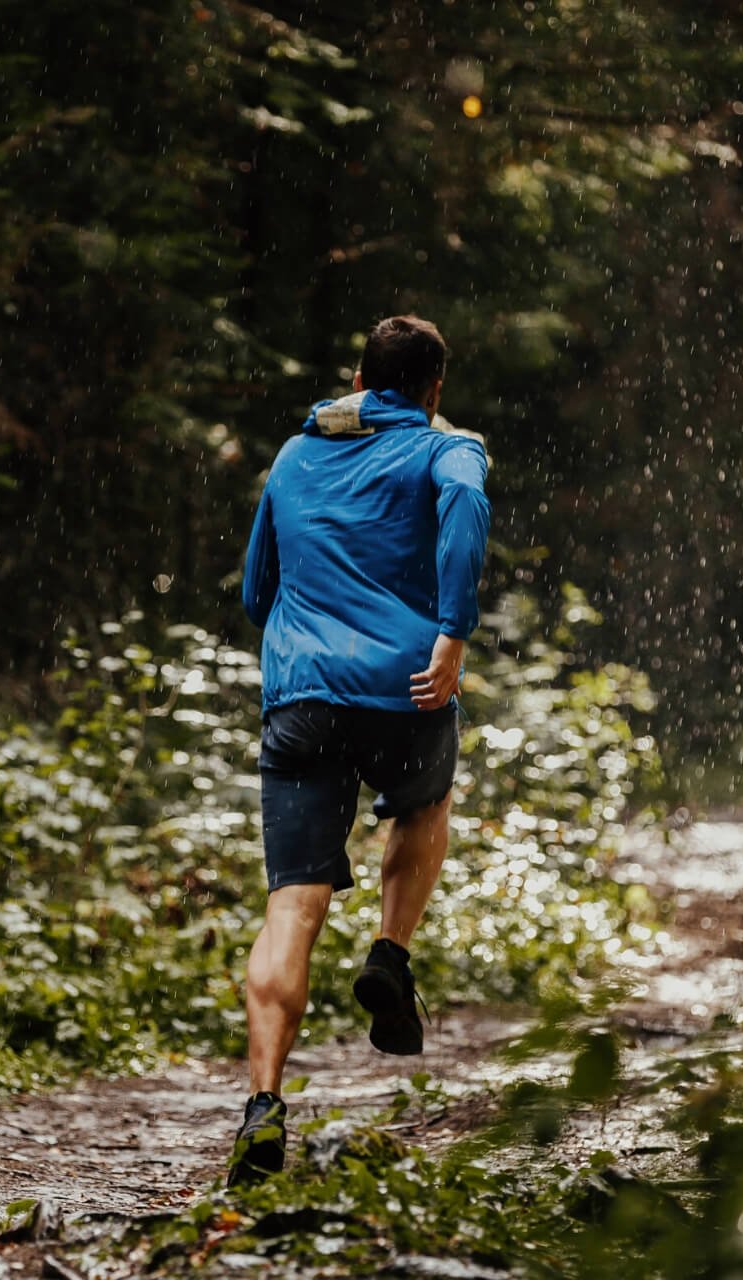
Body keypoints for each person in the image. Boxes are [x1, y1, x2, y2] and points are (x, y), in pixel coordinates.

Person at [227, 315, 491, 1187]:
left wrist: (313, 637)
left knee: (290, 909)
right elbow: (465, 504)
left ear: (357, 374)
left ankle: (264, 1105)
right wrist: (450, 631)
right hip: (406, 690)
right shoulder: (448, 452)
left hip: (301, 700)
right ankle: (390, 954)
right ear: (434, 388)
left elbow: (256, 590)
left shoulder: (295, 457)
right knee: (422, 805)